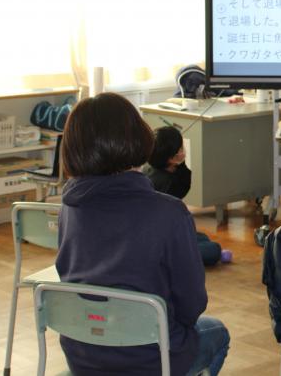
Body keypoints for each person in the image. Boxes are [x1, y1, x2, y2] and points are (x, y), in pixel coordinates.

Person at [56, 92, 230, 376]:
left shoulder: (69, 208)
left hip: (83, 355)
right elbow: (192, 304)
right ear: (137, 137)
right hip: (152, 356)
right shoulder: (169, 212)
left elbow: (67, 272)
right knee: (217, 332)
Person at [145, 125, 223, 266]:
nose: (184, 150)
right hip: (160, 241)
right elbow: (169, 225)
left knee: (202, 237)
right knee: (213, 250)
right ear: (172, 159)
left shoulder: (151, 170)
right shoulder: (170, 184)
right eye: (181, 148)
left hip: (160, 234)